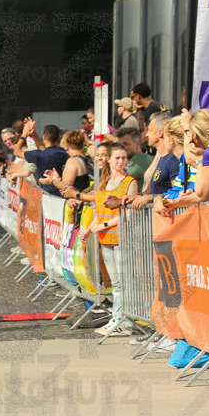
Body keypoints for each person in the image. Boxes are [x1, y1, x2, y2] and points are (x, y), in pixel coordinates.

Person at [80, 142, 137, 337]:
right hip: (106, 240)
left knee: (123, 282)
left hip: (122, 239)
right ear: (110, 160)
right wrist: (89, 229)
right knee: (116, 283)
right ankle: (117, 318)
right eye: (117, 158)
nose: (121, 161)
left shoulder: (130, 182)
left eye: (124, 158)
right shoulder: (104, 183)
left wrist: (103, 226)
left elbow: (128, 215)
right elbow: (100, 211)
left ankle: (124, 322)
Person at [15, 119, 68, 194]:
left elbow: (16, 152)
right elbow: (43, 148)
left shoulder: (39, 155)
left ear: (44, 137)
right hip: (62, 192)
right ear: (59, 138)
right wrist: (34, 134)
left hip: (46, 194)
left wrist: (24, 135)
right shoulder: (64, 152)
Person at [44, 130, 91, 197]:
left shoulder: (72, 161)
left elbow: (66, 186)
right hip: (83, 197)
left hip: (76, 202)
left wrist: (52, 181)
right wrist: (57, 178)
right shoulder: (84, 159)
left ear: (67, 146)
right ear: (83, 145)